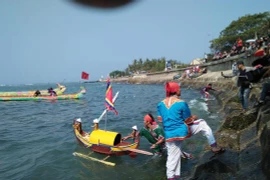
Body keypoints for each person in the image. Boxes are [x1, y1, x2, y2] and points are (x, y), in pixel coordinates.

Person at [157, 82, 224, 180]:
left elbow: (160, 119)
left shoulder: (160, 104)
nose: (180, 90)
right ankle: (214, 146)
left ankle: (173, 178)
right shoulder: (181, 103)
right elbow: (188, 120)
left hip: (169, 135)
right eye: (179, 88)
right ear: (175, 90)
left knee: (172, 159)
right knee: (202, 123)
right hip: (181, 132)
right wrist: (194, 117)